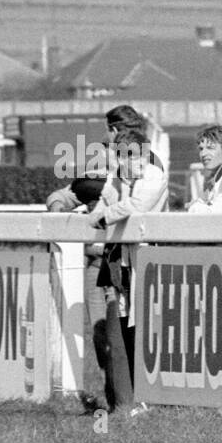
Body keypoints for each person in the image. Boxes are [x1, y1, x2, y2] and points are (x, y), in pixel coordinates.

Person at [89, 128, 168, 414]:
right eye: (123, 157)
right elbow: (102, 204)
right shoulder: (116, 178)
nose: (129, 163)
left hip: (147, 258)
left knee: (144, 329)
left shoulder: (154, 175)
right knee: (120, 332)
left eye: (134, 156)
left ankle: (150, 398)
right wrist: (98, 214)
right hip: (119, 260)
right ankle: (125, 403)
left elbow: (137, 205)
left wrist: (103, 217)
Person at [46, 173, 109, 412]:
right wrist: (59, 212)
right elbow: (61, 196)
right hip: (96, 264)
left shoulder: (145, 169)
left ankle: (132, 396)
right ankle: (112, 397)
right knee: (100, 334)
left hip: (126, 261)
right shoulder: (97, 172)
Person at [185, 125, 222, 213]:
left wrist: (193, 206)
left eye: (210, 148)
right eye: (201, 149)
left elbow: (214, 214)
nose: (203, 154)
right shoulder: (216, 178)